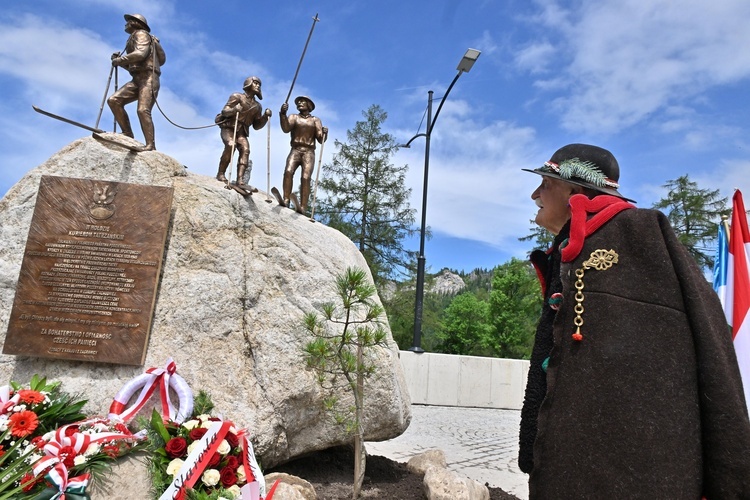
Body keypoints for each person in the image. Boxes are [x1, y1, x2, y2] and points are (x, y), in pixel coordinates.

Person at [519, 143, 750, 498]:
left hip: (642, 475)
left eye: (546, 184)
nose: (535, 194)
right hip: (570, 470)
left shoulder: (644, 235)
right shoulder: (565, 253)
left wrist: (730, 479)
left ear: (575, 193)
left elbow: (712, 345)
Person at [107, 14, 166, 152]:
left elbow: (141, 54)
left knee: (142, 110)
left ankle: (150, 145)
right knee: (114, 100)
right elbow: (133, 66)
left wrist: (121, 60)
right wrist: (120, 61)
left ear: (135, 23)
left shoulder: (141, 34)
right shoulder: (132, 38)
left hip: (148, 79)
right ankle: (127, 133)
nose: (126, 24)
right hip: (137, 79)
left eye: (128, 22)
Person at [215, 76, 272, 190]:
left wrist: (265, 117)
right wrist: (234, 109)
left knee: (245, 149)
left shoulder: (257, 106)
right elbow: (225, 111)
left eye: (259, 84)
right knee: (231, 145)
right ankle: (221, 173)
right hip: (229, 128)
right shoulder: (237, 96)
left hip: (242, 132)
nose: (258, 86)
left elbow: (256, 125)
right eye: (255, 83)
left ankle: (240, 179)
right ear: (249, 83)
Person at [279, 96, 327, 212]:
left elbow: (321, 139)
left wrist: (325, 133)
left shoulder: (315, 120)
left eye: (302, 101)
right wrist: (283, 114)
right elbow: (286, 128)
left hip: (309, 152)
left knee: (305, 178)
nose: (299, 103)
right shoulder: (293, 117)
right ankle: (286, 199)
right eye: (298, 102)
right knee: (288, 172)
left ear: (309, 105)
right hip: (295, 149)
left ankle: (303, 206)